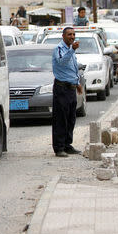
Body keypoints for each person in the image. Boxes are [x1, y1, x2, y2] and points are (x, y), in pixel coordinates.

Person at [51, 27, 83, 157]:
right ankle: (59, 147)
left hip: (71, 88)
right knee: (61, 118)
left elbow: (73, 68)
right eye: (69, 34)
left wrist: (78, 83)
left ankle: (67, 145)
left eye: (74, 34)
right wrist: (72, 50)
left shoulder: (71, 50)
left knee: (71, 118)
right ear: (63, 36)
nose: (72, 36)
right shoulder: (59, 49)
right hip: (61, 88)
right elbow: (62, 62)